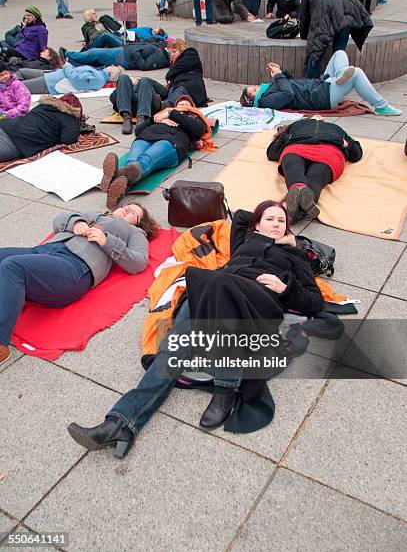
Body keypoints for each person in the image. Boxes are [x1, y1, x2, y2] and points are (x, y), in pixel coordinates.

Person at [67, 200, 324, 457]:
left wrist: (286, 281)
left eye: (282, 222)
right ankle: (121, 423)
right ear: (257, 224)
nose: (277, 225)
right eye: (270, 219)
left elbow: (314, 301)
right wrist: (260, 228)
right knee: (172, 350)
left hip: (256, 301)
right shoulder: (245, 240)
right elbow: (243, 216)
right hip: (216, 291)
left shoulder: (295, 255)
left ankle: (226, 388)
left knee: (209, 279)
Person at [0, 204, 158, 367]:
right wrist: (75, 222)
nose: (126, 210)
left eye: (133, 213)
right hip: (42, 252)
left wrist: (107, 241)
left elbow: (139, 262)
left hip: (74, 267)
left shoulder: (135, 232)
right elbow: (58, 220)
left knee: (13, 267)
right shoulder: (93, 214)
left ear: (138, 223)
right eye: (126, 207)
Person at [101, 98, 212, 208]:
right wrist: (155, 119)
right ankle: (119, 189)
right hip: (145, 138)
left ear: (192, 108)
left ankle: (116, 174)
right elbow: (138, 130)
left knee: (146, 159)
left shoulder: (194, 117)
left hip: (170, 141)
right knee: (132, 162)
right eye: (179, 103)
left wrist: (172, 113)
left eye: (186, 104)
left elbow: (198, 130)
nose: (182, 105)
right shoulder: (160, 115)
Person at [239, 50, 402, 116]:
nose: (255, 87)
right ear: (254, 99)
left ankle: (340, 74)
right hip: (321, 97)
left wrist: (280, 71)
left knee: (339, 53)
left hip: (318, 85)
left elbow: (290, 82)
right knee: (357, 73)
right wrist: (278, 76)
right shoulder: (266, 100)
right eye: (252, 90)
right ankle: (381, 106)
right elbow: (289, 94)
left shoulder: (270, 89)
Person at [266, 117, 363, 222]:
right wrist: (347, 144)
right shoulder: (336, 128)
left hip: (304, 148)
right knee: (315, 178)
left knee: (295, 170)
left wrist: (283, 137)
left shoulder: (297, 125)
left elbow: (272, 153)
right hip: (326, 151)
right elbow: (357, 154)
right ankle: (300, 206)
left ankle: (294, 201)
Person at [109, 40, 208, 134]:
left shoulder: (190, 54)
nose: (172, 55)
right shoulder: (176, 64)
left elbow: (173, 74)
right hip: (152, 97)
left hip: (178, 89)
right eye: (170, 53)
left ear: (182, 50)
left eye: (174, 51)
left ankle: (142, 117)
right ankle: (127, 117)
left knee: (145, 81)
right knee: (125, 78)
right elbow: (114, 97)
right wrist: (132, 85)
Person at [300, 0, 372, 79]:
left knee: (316, 52)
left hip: (325, 9)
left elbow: (303, 16)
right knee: (339, 51)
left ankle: (311, 84)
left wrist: (304, 35)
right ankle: (341, 74)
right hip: (348, 4)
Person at [0, 93, 83, 163]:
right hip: (21, 141)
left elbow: (30, 115)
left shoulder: (43, 106)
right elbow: (68, 140)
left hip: (6, 124)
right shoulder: (70, 117)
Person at [16, 64, 122, 95]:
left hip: (51, 82)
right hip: (52, 75)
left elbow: (76, 79)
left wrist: (67, 66)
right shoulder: (99, 75)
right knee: (21, 72)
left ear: (111, 73)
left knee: (17, 87)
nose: (111, 66)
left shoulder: (98, 79)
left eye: (113, 67)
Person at [61, 41, 170, 71]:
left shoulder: (161, 56)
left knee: (94, 53)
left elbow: (144, 65)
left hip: (123, 57)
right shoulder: (161, 50)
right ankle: (71, 61)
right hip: (124, 52)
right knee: (94, 59)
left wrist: (136, 52)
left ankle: (68, 54)